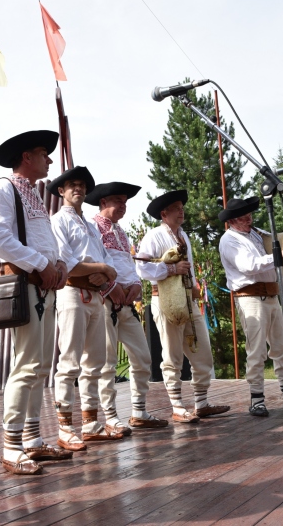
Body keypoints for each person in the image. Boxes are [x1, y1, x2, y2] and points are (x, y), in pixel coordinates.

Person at [0, 130, 71, 475]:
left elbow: (46, 241)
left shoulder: (33, 196)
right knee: (25, 364)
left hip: (45, 287)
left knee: (38, 365)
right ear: (26, 158)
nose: (49, 159)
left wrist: (60, 263)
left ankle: (33, 441)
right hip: (26, 284)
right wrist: (41, 264)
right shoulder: (4, 189)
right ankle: (11, 446)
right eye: (42, 153)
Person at [136, 190, 230, 423]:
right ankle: (177, 407)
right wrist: (170, 270)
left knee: (202, 352)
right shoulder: (154, 235)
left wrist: (194, 286)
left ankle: (201, 403)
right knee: (172, 354)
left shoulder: (183, 235)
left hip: (187, 299)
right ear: (164, 213)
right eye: (177, 208)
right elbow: (142, 269)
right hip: (165, 300)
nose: (182, 211)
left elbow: (188, 267)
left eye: (182, 207)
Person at [49, 167, 124, 449]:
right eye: (72, 185)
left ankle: (90, 422)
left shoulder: (91, 226)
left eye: (81, 185)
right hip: (71, 291)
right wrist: (102, 268)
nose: (77, 189)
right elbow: (66, 263)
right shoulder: (59, 221)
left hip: (95, 294)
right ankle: (65, 426)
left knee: (94, 362)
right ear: (61, 191)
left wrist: (104, 273)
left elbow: (112, 265)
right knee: (69, 361)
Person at [217, 196, 283, 417]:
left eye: (250, 215)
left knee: (282, 347)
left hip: (271, 295)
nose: (249, 220)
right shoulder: (229, 240)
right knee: (257, 350)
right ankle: (256, 399)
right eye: (244, 217)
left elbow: (273, 251)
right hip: (249, 298)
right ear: (232, 221)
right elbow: (249, 266)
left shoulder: (256, 234)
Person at [86, 182, 168, 431]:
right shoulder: (92, 228)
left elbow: (127, 264)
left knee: (143, 357)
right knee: (107, 361)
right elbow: (94, 263)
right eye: (118, 201)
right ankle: (110, 416)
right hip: (105, 301)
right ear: (103, 203)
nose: (123, 206)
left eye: (125, 202)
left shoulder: (121, 232)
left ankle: (139, 410)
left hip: (126, 303)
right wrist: (112, 289)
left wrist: (135, 285)